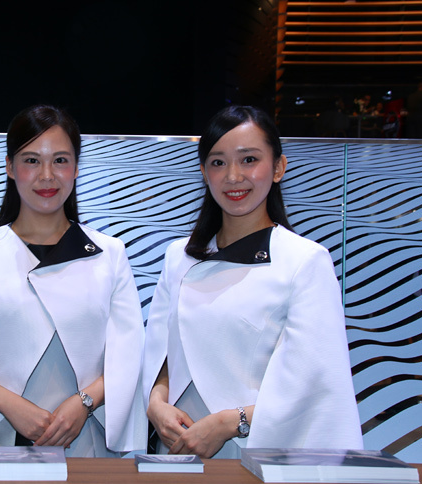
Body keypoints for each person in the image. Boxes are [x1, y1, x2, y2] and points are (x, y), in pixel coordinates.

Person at [0, 105, 146, 457]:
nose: (47, 175)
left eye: (60, 161)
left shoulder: (110, 254)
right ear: (10, 167)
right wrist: (12, 405)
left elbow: (130, 354)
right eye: (31, 161)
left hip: (89, 441)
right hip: (0, 439)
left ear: (76, 168)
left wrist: (84, 402)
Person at [142, 105, 363, 458]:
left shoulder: (304, 261)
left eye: (249, 160)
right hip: (177, 447)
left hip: (252, 452)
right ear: (204, 172)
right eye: (218, 162)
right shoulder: (178, 257)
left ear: (278, 167)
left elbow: (315, 386)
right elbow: (162, 353)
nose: (233, 176)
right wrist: (156, 403)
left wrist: (229, 423)